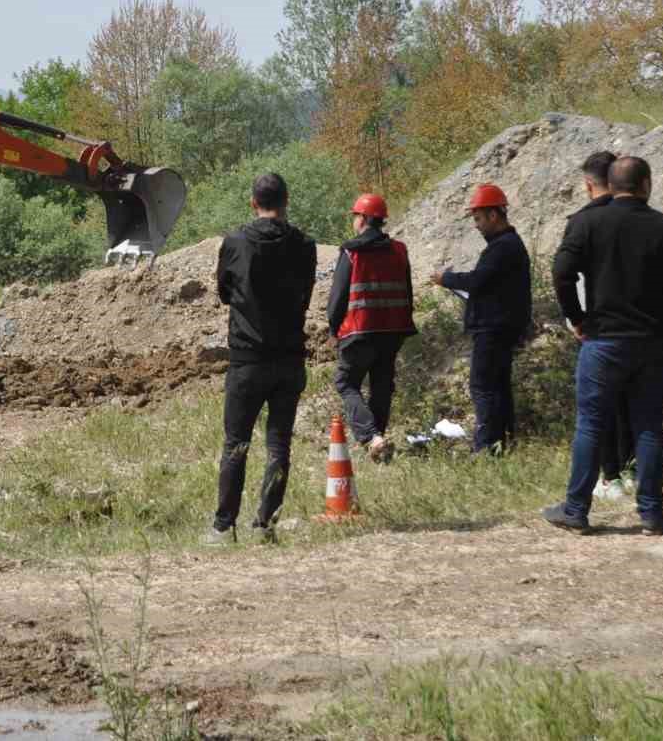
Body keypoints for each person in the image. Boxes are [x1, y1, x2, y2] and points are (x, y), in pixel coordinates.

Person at [546, 156, 663, 535]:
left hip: (604, 340)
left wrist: (577, 317)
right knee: (648, 425)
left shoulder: (587, 223)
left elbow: (562, 272)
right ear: (646, 184)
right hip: (655, 342)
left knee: (591, 425)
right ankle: (652, 513)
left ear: (609, 186)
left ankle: (576, 510)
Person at [206, 173, 318, 546]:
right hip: (289, 358)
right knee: (278, 445)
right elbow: (305, 293)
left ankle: (224, 527)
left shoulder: (236, 242)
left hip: (248, 358)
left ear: (253, 202)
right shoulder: (304, 244)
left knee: (236, 443)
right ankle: (264, 524)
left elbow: (224, 292)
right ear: (286, 201)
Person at [431, 183, 531, 453]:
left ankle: (486, 447)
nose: (476, 225)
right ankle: (503, 443)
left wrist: (446, 278)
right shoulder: (508, 245)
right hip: (502, 327)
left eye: (478, 218)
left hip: (494, 329)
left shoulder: (502, 248)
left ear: (493, 215)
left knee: (483, 387)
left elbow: (477, 281)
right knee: (498, 387)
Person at [326, 193, 416, 463]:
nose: (354, 220)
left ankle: (371, 437)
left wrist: (334, 329)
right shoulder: (399, 250)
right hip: (393, 330)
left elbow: (337, 298)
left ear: (364, 219)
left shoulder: (351, 251)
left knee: (345, 382)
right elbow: (408, 292)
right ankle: (380, 445)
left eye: (356, 216)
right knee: (381, 386)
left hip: (359, 331)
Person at [573, 151, 636, 500]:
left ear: (588, 185)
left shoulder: (585, 222)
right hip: (641, 328)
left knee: (599, 408)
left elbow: (569, 275)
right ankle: (633, 473)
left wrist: (577, 319)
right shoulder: (644, 219)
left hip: (598, 327)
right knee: (633, 406)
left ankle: (609, 476)